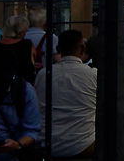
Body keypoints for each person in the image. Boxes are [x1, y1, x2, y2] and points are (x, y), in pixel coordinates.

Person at [43, 32, 100, 161]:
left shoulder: (43, 75)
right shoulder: (94, 75)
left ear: (58, 49)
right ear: (82, 49)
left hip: (48, 143)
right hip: (83, 144)